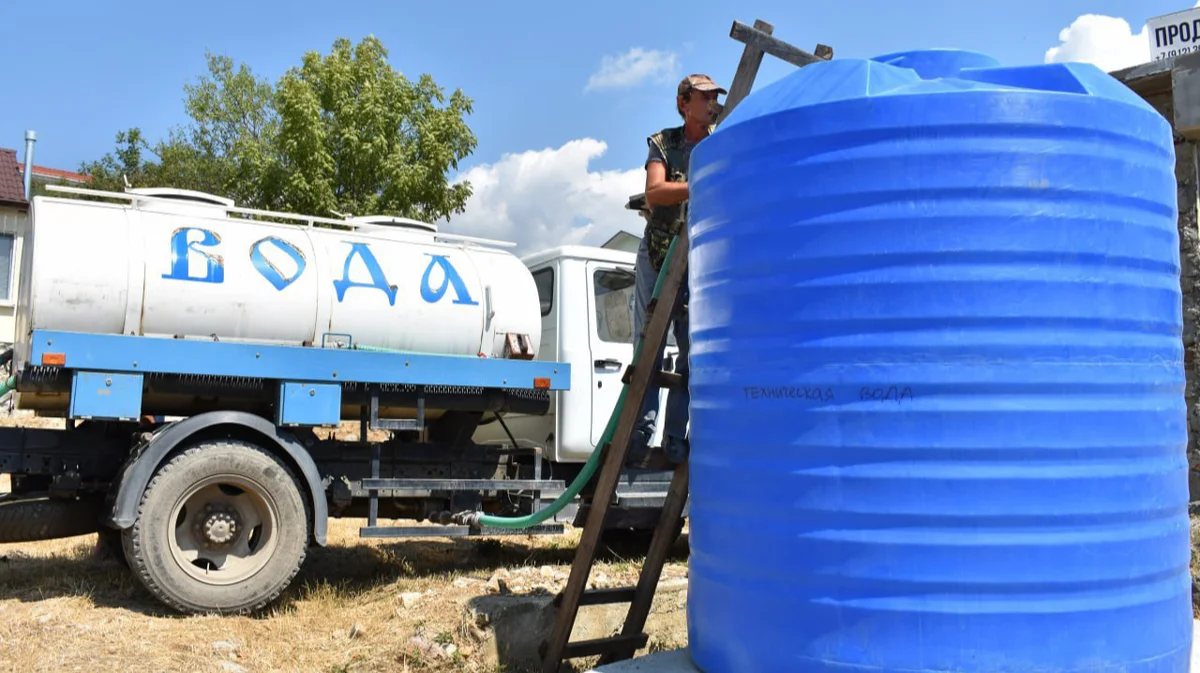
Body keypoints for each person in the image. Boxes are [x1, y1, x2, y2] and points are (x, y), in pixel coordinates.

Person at [627, 73, 726, 470]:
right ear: (685, 103)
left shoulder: (720, 144)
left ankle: (674, 435)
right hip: (659, 253)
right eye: (704, 98)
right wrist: (700, 184)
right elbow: (655, 193)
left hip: (699, 259)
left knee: (692, 349)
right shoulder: (664, 142)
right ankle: (640, 431)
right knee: (649, 343)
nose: (712, 104)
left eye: (714, 98)